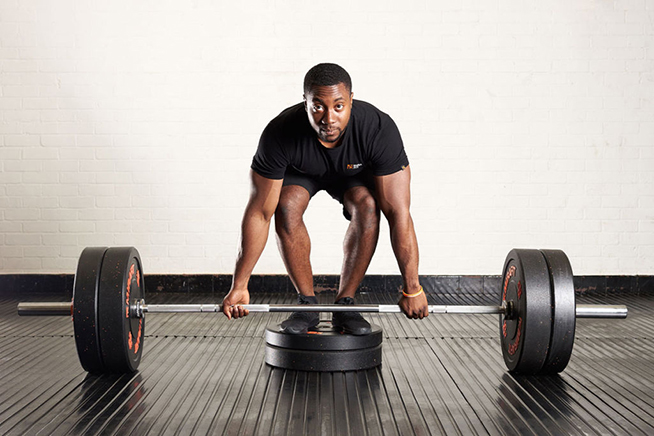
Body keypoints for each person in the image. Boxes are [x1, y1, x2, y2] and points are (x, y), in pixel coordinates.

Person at [222, 63, 428, 334]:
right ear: (305, 103)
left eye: (338, 106)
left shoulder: (378, 128)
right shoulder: (279, 132)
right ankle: (307, 306)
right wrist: (239, 285)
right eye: (318, 107)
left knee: (368, 206)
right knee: (285, 205)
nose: (329, 119)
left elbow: (399, 213)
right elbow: (260, 214)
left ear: (351, 101)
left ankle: (346, 305)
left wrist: (413, 289)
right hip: (302, 173)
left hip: (353, 175)